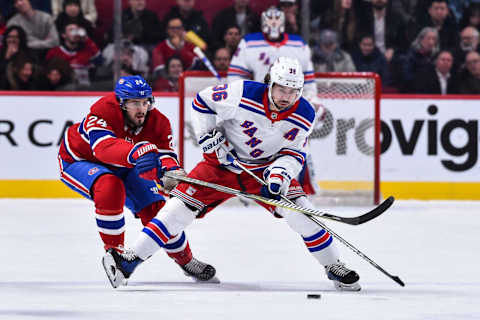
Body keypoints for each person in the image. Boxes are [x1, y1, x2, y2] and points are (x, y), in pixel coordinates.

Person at [101, 57, 361, 292]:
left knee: (303, 216)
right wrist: (209, 136)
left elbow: (294, 154)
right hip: (219, 166)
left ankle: (333, 266)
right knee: (176, 211)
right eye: (281, 88)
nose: (286, 96)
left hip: (263, 170)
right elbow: (202, 102)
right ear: (270, 83)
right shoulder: (241, 91)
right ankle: (129, 261)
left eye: (293, 91)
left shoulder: (305, 113)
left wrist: (279, 175)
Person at [58, 75, 216, 285]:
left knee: (156, 208)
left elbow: (166, 156)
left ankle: (186, 261)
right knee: (109, 186)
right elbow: (103, 149)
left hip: (126, 162)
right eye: (134, 103)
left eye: (145, 102)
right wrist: (137, 152)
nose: (142, 108)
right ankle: (115, 257)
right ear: (122, 104)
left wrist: (172, 173)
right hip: (78, 159)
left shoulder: (159, 122)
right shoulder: (102, 111)